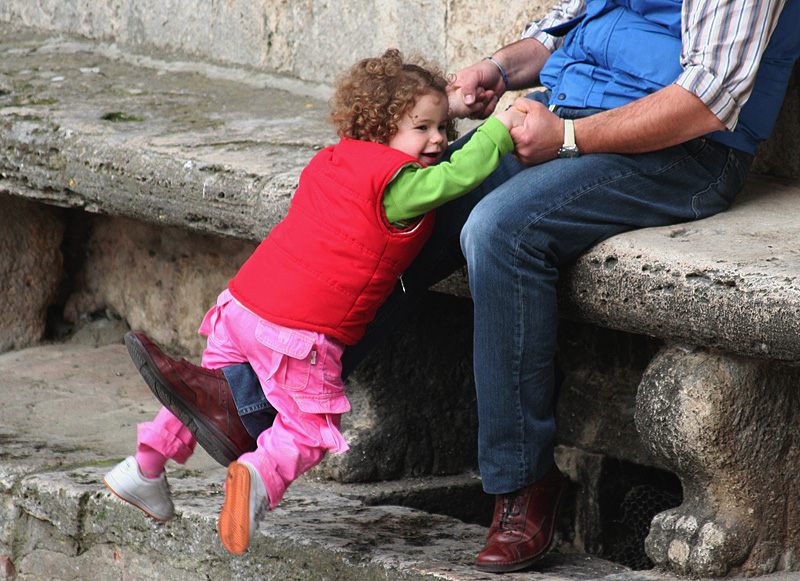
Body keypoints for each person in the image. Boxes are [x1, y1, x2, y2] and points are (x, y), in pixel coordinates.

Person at [115, 0, 800, 573]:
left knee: (501, 230)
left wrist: (566, 137)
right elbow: (564, 26)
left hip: (679, 153)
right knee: (393, 201)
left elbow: (710, 99)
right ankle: (246, 404)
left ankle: (522, 482)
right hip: (569, 112)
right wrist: (497, 71)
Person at [103, 48, 527, 555]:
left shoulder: (335, 158)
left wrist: (443, 108)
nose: (437, 139)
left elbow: (410, 136)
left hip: (242, 306)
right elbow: (452, 181)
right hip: (300, 332)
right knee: (309, 430)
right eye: (424, 129)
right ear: (381, 131)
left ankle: (143, 467)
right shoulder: (401, 184)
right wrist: (499, 133)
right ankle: (259, 476)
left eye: (442, 127)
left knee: (210, 395)